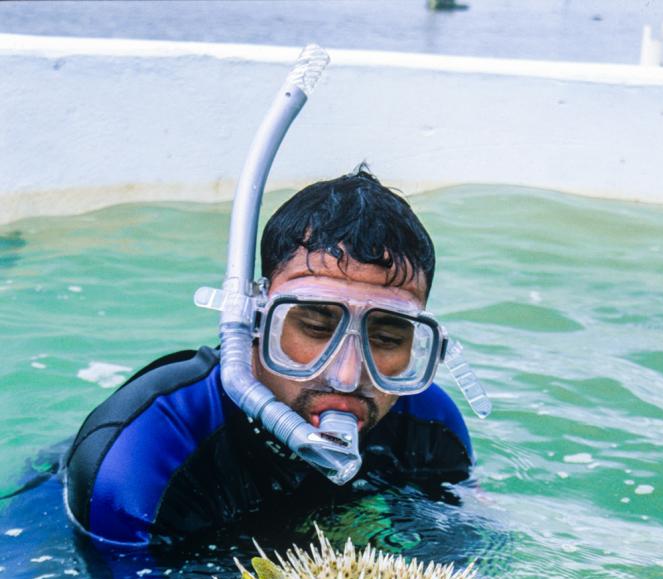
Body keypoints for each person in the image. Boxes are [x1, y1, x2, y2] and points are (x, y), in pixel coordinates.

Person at [63, 170, 473, 548]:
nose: (347, 376)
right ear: (253, 320)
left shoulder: (431, 429)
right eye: (315, 327)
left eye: (385, 338)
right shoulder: (145, 456)